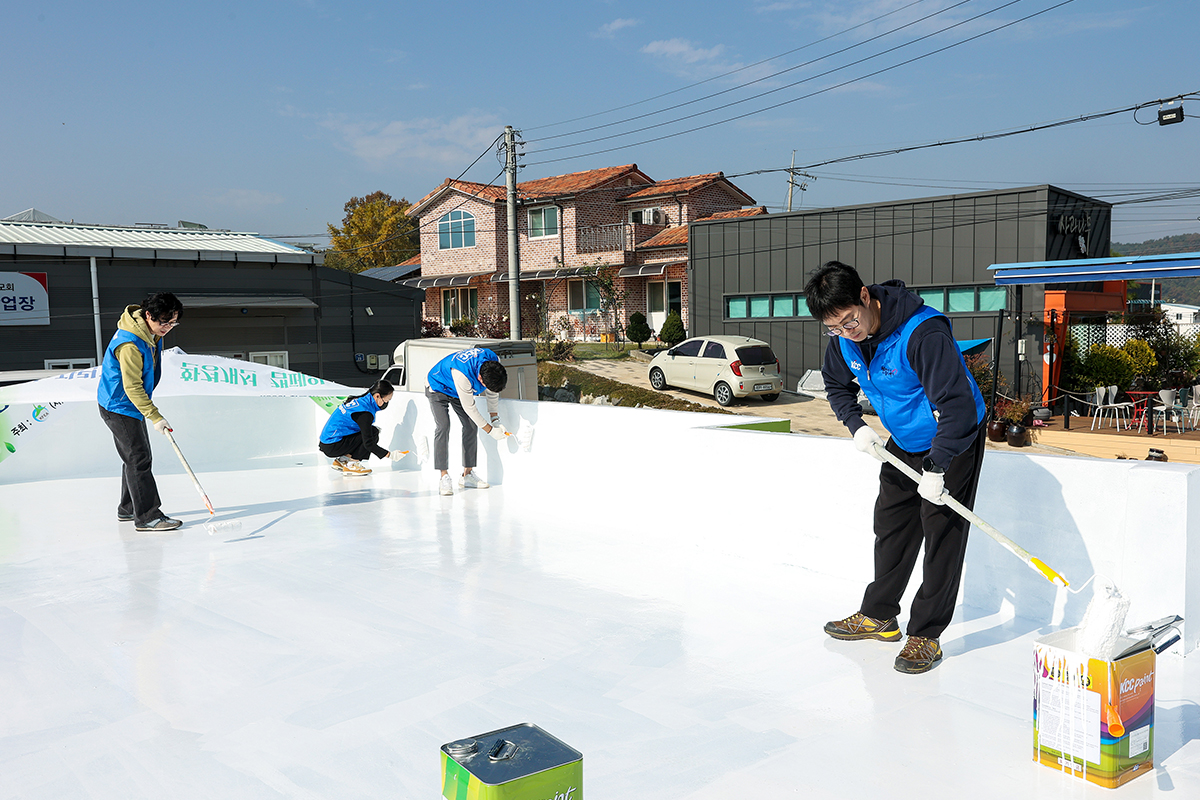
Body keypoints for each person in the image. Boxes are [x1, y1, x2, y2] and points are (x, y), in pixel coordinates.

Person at [803, 261, 987, 674]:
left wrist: (938, 466)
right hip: (903, 438)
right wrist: (856, 426)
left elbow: (956, 407)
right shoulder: (844, 340)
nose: (846, 332)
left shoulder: (922, 333)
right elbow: (836, 384)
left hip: (952, 437)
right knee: (890, 524)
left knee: (942, 532)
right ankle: (880, 615)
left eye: (850, 320)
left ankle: (926, 634)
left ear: (865, 296)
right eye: (834, 327)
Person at [97, 291, 186, 532]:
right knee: (139, 459)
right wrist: (155, 415)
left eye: (173, 322)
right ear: (148, 315)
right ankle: (147, 516)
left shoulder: (146, 331)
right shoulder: (130, 344)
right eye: (164, 322)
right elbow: (132, 386)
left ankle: (127, 509)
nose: (168, 327)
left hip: (127, 404)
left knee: (134, 457)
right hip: (120, 406)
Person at [426, 347, 508, 496]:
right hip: (438, 385)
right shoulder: (462, 375)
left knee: (471, 425)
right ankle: (444, 476)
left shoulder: (494, 363)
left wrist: (495, 419)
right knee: (443, 426)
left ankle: (467, 475)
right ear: (480, 379)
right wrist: (490, 430)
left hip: (457, 390)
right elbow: (470, 407)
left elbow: (492, 392)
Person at [319, 380, 406, 475]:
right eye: (386, 400)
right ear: (377, 396)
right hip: (333, 444)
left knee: (371, 431)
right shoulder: (365, 413)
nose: (386, 404)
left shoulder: (361, 401)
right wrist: (390, 455)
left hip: (328, 442)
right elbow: (368, 443)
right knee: (373, 433)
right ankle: (352, 465)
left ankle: (342, 461)